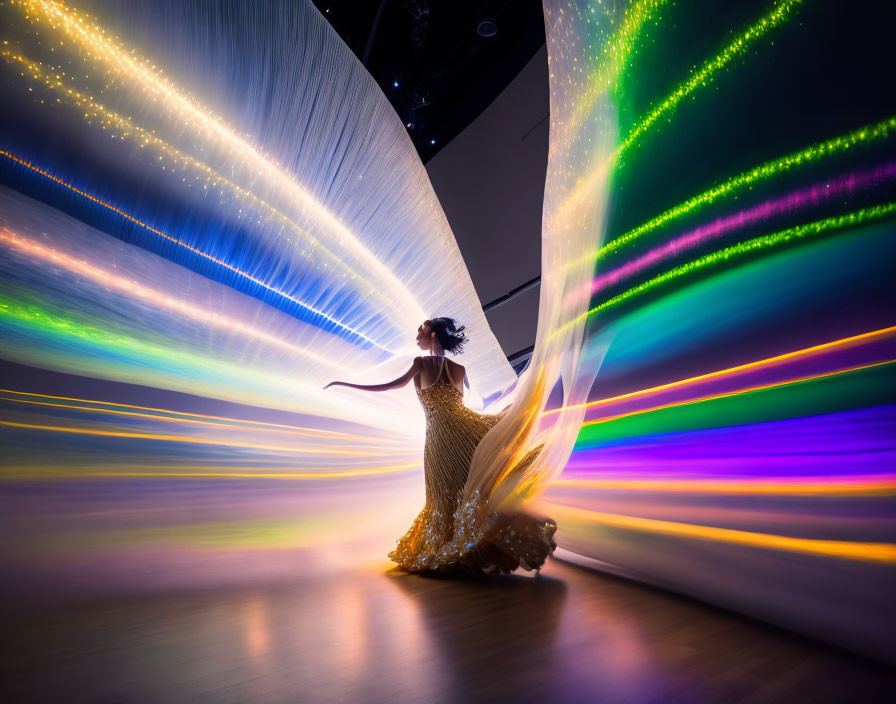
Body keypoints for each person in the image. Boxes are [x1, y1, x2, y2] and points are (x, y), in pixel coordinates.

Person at [324, 317, 557, 576]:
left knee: (444, 491)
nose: (417, 335)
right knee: (465, 486)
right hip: (462, 428)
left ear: (433, 335)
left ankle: (457, 547)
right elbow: (458, 402)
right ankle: (474, 544)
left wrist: (350, 385)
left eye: (421, 330)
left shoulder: (421, 363)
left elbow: (394, 385)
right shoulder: (459, 368)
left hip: (441, 434)